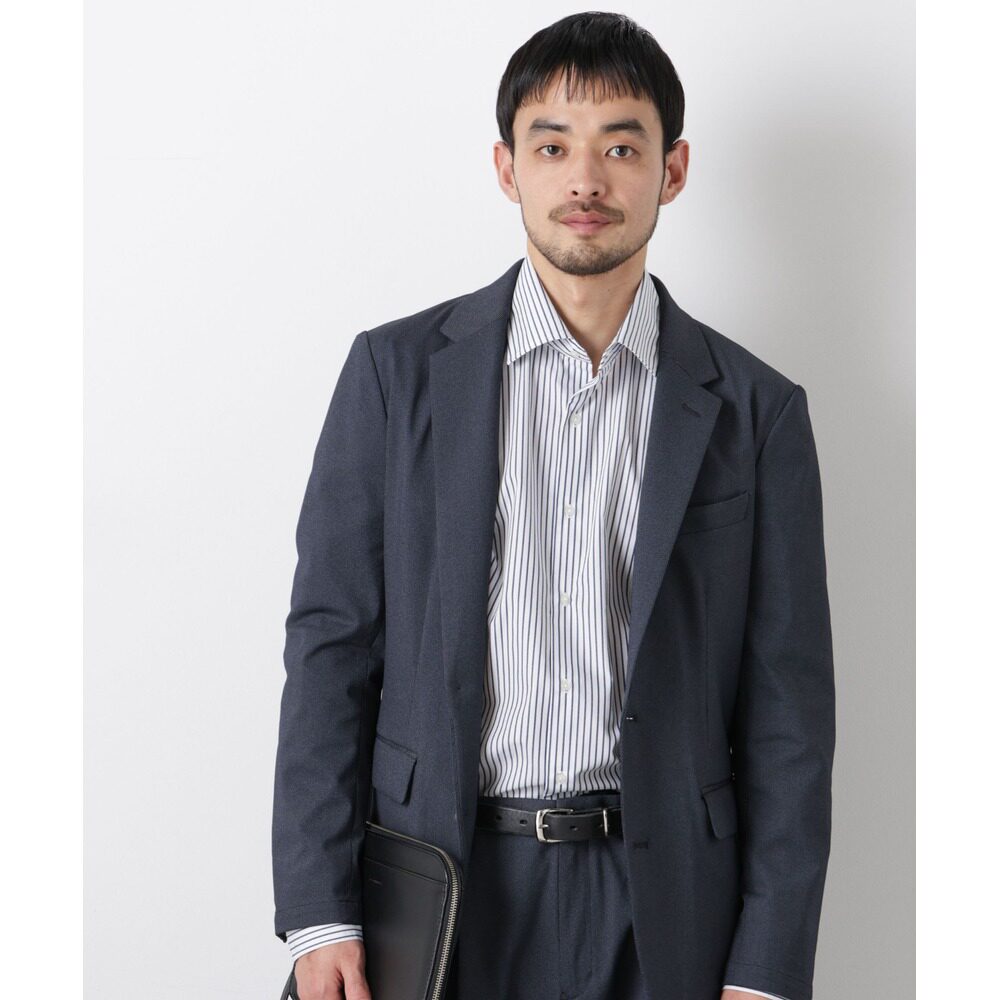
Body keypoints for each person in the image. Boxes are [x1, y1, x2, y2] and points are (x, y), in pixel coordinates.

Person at [272, 11, 835, 1000]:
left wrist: (767, 967)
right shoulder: (396, 377)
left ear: (672, 170)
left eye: (621, 146)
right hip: (440, 885)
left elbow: (789, 710)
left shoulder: (757, 411)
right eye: (551, 146)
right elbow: (331, 649)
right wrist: (321, 913)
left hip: (668, 904)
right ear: (506, 168)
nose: (585, 180)